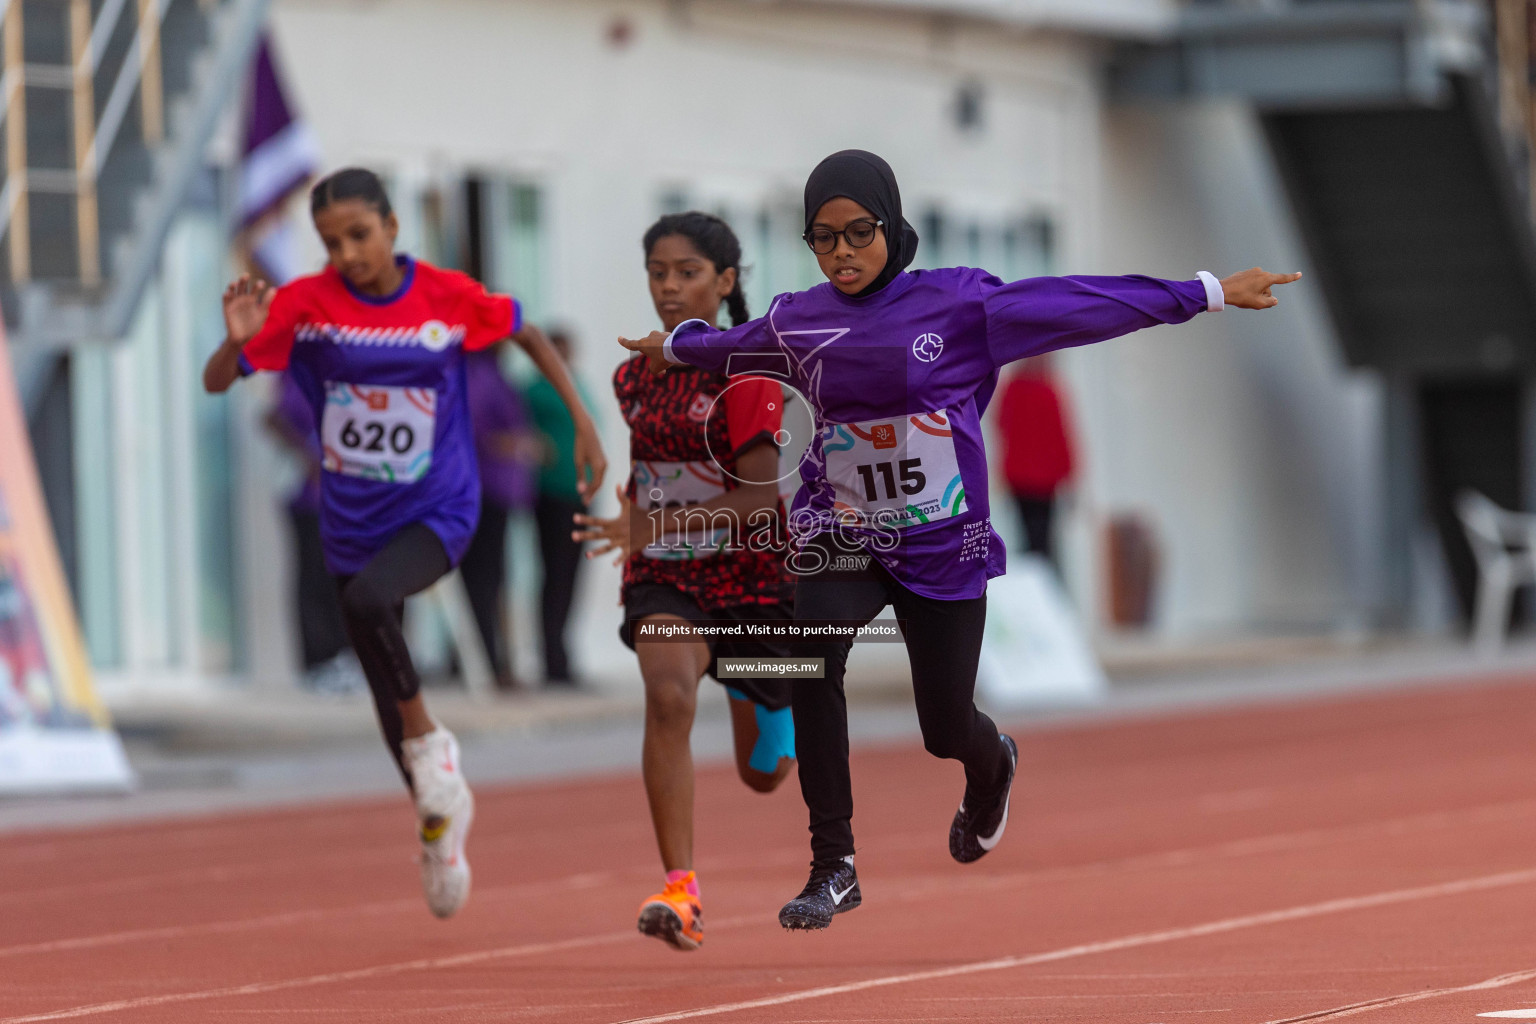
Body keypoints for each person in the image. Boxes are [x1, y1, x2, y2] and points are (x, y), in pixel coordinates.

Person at [620, 149, 1300, 931]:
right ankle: (832, 865)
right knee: (812, 657)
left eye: (858, 233)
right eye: (823, 238)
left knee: (944, 725)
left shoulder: (958, 305)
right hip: (840, 532)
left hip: (940, 543)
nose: (841, 253)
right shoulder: (798, 317)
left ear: (893, 227)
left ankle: (991, 762)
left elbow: (1078, 303)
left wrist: (1207, 293)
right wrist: (674, 345)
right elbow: (733, 346)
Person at [203, 167, 606, 919]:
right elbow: (219, 380)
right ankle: (437, 827)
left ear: (391, 227)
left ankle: (432, 745)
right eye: (331, 242)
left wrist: (580, 420)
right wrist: (235, 345)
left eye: (360, 234)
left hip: (439, 507)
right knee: (387, 691)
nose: (348, 252)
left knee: (370, 604)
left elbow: (523, 331)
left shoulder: (445, 295)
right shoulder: (305, 305)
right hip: (352, 516)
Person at [576, 212, 798, 950]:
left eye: (688, 273)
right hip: (665, 577)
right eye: (658, 273)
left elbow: (759, 500)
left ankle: (771, 693)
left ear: (725, 281)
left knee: (764, 776)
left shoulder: (749, 373)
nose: (669, 288)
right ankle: (682, 889)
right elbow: (652, 472)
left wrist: (653, 524)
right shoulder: (631, 375)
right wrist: (637, 524)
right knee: (667, 694)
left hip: (753, 580)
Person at [265, 370, 364, 694]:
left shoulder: (343, 374)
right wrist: (306, 456)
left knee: (344, 576)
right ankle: (319, 660)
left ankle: (346, 654)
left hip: (344, 495)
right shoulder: (293, 375)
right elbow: (272, 418)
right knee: (314, 576)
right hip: (308, 494)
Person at [461, 349, 540, 690]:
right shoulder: (474, 374)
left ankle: (493, 660)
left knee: (493, 581)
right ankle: (488, 663)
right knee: (484, 581)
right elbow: (475, 431)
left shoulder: (493, 374)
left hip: (495, 493)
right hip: (480, 492)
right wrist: (514, 443)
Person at [525, 329, 589, 685]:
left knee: (571, 579)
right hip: (553, 495)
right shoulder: (534, 392)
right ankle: (553, 659)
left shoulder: (574, 385)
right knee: (555, 577)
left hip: (578, 493)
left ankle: (562, 654)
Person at [996, 355, 1076, 569]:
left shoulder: (1015, 389)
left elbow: (1002, 427)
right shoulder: (1046, 390)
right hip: (1039, 481)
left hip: (1023, 478)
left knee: (1031, 541)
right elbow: (1062, 437)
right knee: (1041, 542)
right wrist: (1070, 477)